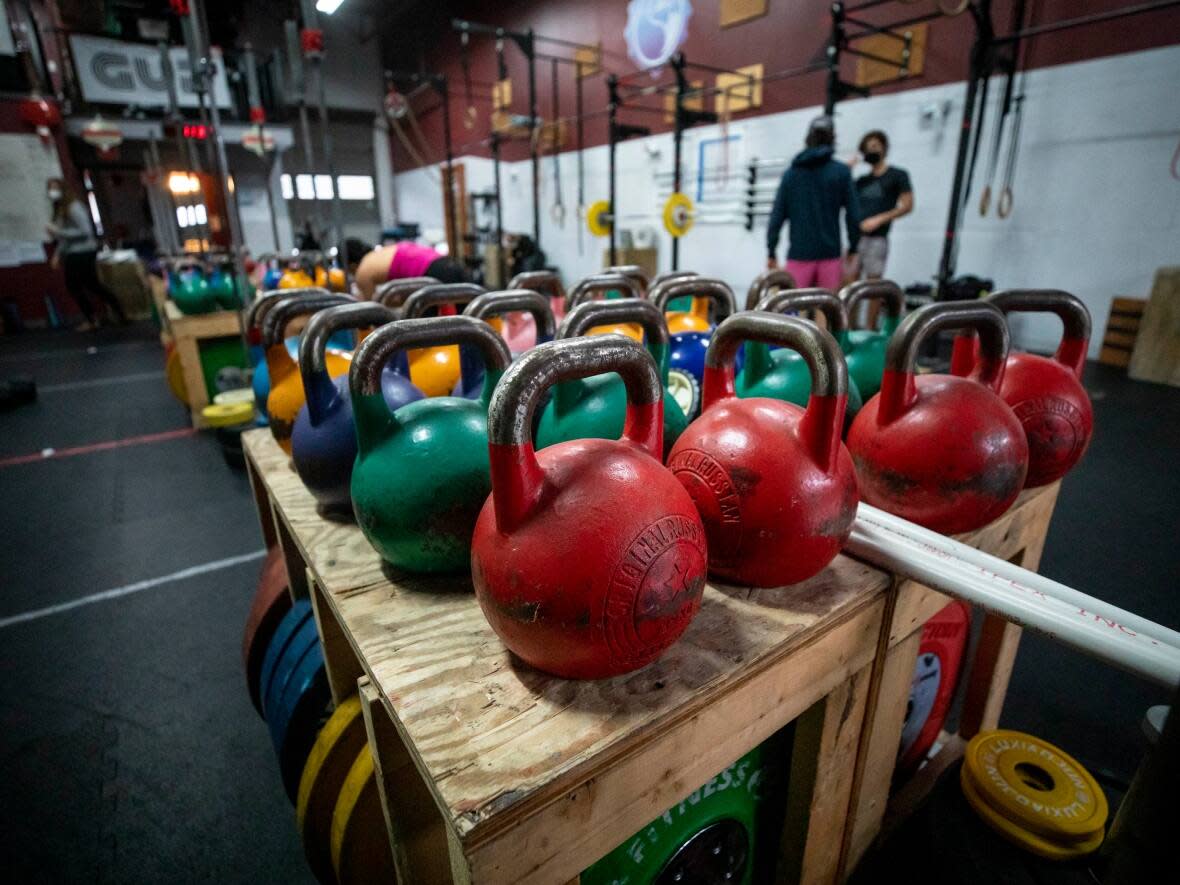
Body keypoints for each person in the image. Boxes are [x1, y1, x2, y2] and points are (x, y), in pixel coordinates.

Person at [766, 116, 861, 290]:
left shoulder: (791, 175)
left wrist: (771, 251)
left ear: (808, 138)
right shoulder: (841, 172)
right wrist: (853, 247)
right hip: (830, 254)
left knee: (794, 310)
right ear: (833, 138)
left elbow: (777, 216)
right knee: (826, 310)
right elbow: (854, 215)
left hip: (799, 254)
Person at [46, 178, 126, 329]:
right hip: (73, 252)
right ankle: (101, 317)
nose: (52, 192)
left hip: (83, 251)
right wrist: (58, 253)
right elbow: (65, 238)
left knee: (82, 285)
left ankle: (102, 317)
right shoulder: (61, 208)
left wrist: (58, 231)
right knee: (85, 285)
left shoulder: (74, 207)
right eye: (50, 189)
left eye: (55, 188)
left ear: (63, 189)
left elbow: (85, 231)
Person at [854, 130, 913, 279]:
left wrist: (879, 219)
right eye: (867, 148)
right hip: (856, 236)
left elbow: (907, 205)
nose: (871, 151)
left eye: (875, 146)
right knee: (849, 282)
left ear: (884, 148)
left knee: (873, 285)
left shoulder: (897, 175)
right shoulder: (861, 181)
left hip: (877, 238)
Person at [353, 237, 468, 299]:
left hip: (432, 273)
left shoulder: (362, 271)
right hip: (449, 263)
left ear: (351, 265)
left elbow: (371, 310)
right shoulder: (380, 253)